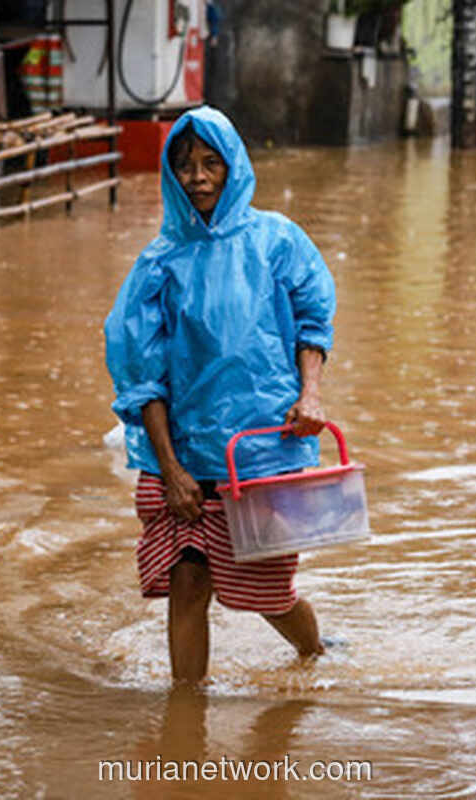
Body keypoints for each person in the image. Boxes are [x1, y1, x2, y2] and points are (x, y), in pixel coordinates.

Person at [104, 105, 336, 685]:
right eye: (185, 166)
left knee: (267, 593)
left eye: (212, 163)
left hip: (264, 447)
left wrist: (311, 396)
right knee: (188, 582)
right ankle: (185, 722)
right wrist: (170, 467)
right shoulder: (158, 263)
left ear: (235, 167)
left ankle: (317, 652)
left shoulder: (278, 241)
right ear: (171, 174)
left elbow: (314, 322)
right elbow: (142, 375)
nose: (199, 177)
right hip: (186, 454)